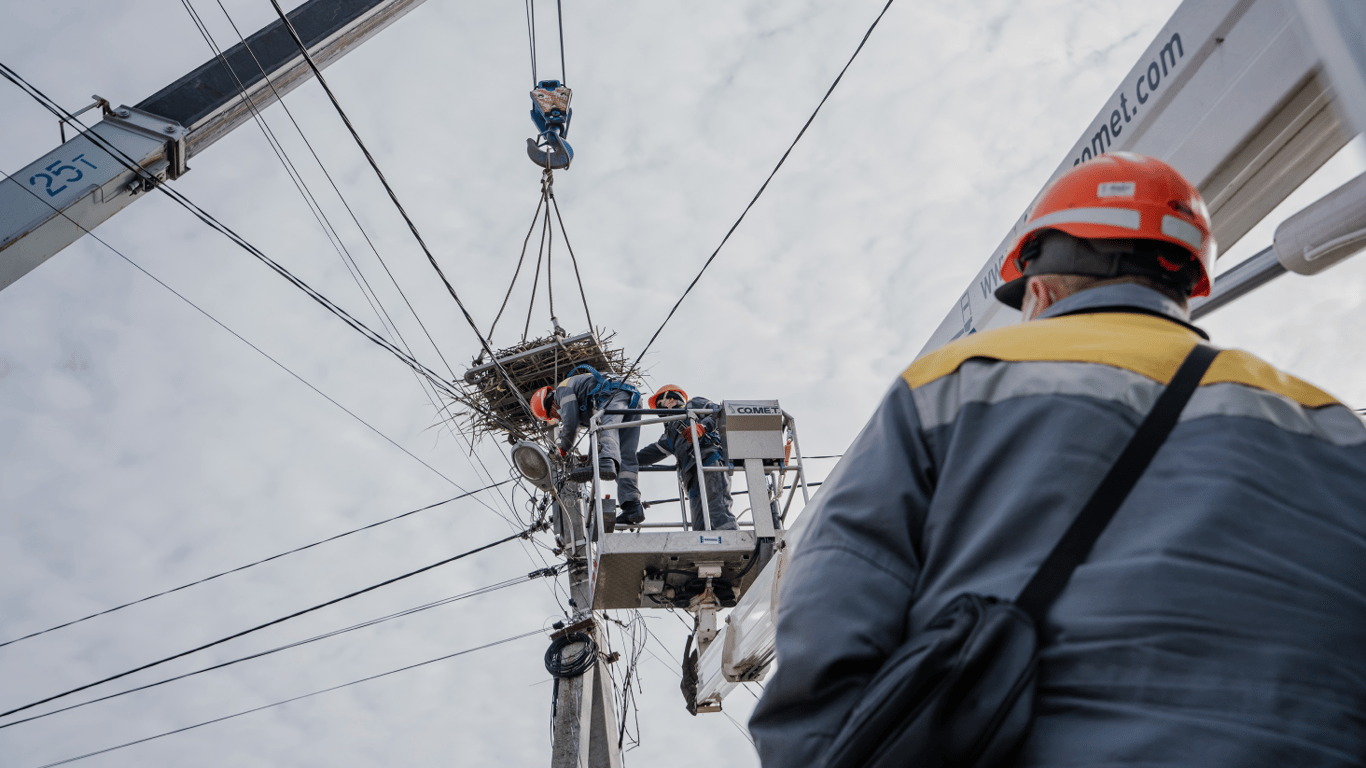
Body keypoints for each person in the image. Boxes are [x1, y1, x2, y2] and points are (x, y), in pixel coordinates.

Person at [750, 153, 1366, 766]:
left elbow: (831, 632)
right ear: (1184, 284)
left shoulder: (951, 384)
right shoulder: (1330, 423)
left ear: (1039, 290)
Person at [531, 365, 644, 522]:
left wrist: (563, 448)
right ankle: (632, 506)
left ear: (550, 403)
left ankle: (605, 462)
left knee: (606, 428)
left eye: (552, 414)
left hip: (613, 392)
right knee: (625, 455)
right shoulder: (583, 398)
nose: (557, 417)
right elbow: (594, 434)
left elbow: (571, 423)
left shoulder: (562, 390)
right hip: (632, 397)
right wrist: (590, 462)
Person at [635, 385, 737, 530]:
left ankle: (731, 543)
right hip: (691, 477)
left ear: (671, 399)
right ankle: (707, 551)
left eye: (659, 404)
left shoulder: (693, 405)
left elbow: (719, 412)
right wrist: (621, 460)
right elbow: (648, 454)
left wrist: (702, 427)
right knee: (699, 525)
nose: (659, 410)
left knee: (718, 511)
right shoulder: (670, 435)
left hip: (710, 463)